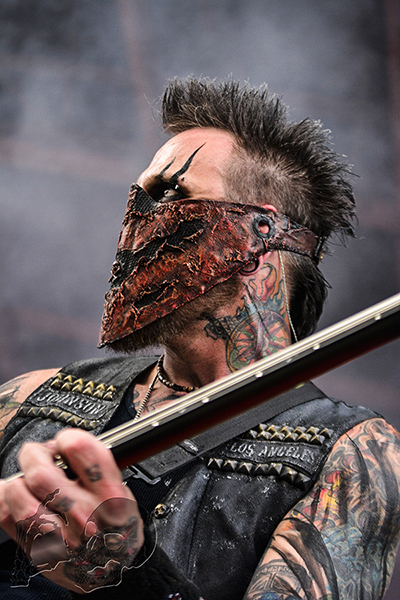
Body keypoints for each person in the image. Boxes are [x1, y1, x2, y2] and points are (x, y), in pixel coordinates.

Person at [0, 76, 399, 600]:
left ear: (258, 234)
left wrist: (129, 575)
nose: (137, 220)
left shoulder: (352, 454)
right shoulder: (30, 398)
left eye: (170, 194)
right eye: (138, 197)